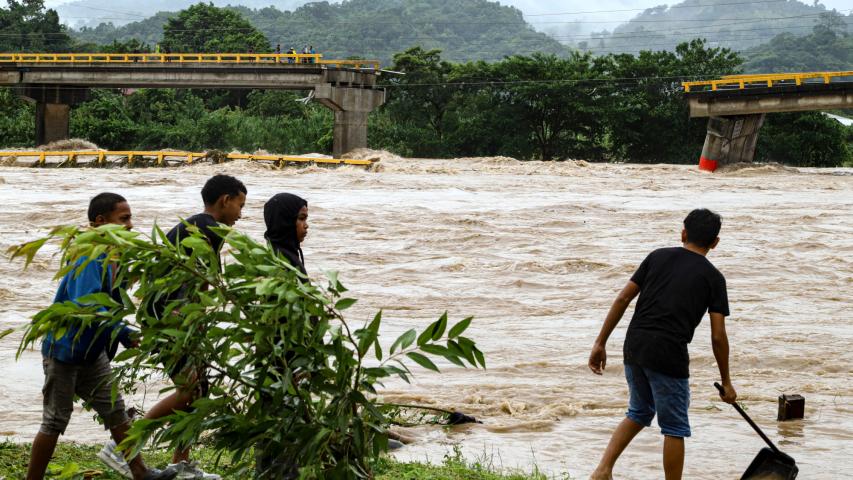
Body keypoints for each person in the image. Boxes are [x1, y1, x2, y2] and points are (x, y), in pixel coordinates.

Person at [100, 176, 246, 480]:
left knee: (199, 389)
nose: (240, 214)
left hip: (182, 319)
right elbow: (203, 280)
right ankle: (124, 446)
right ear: (225, 200)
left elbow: (198, 281)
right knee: (189, 389)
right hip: (169, 320)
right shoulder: (207, 228)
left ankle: (181, 463)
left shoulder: (199, 225)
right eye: (240, 205)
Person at [27, 193, 177, 480]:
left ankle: (140, 472)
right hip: (65, 351)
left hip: (91, 351)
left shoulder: (111, 255)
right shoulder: (89, 255)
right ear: (99, 221)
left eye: (130, 218)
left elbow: (108, 303)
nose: (131, 225)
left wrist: (125, 331)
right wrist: (121, 331)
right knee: (55, 420)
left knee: (116, 413)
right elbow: (89, 306)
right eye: (124, 219)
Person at [587, 208, 737, 480]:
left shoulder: (657, 257)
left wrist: (600, 342)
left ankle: (602, 470)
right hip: (668, 353)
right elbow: (718, 336)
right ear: (715, 243)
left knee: (639, 411)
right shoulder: (714, 278)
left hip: (635, 345)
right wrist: (726, 381)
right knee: (675, 427)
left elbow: (622, 299)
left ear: (683, 234)